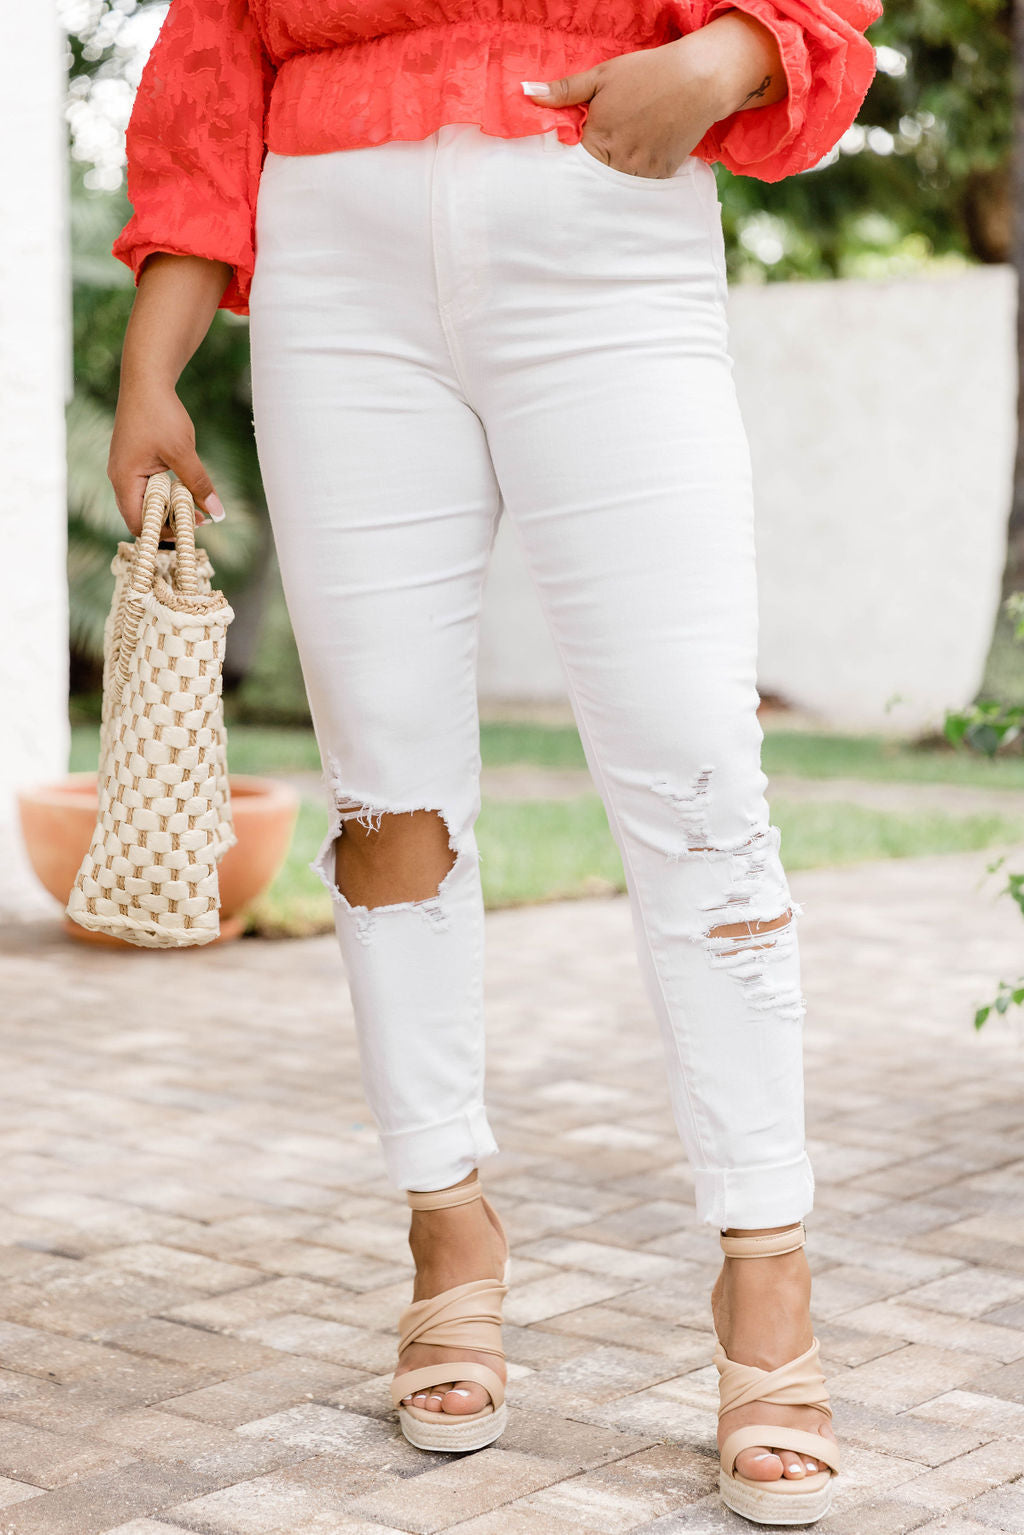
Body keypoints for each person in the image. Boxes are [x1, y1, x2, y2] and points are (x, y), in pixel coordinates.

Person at [107, 0, 882, 1522]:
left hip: (601, 216)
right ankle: (446, 1224)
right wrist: (153, 372)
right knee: (386, 797)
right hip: (335, 259)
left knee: (698, 775)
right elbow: (214, 61)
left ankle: (767, 1266)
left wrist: (722, 61)